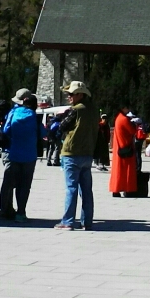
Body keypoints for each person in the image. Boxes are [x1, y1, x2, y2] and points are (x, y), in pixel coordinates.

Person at [55, 80, 99, 230]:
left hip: (72, 153)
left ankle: (67, 221)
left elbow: (62, 126)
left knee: (71, 188)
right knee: (86, 190)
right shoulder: (94, 109)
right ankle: (87, 222)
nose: (69, 97)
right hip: (87, 153)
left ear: (80, 94)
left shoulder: (76, 110)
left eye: (71, 94)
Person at [0, 88, 42, 221]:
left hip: (14, 153)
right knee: (25, 185)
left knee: (10, 183)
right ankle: (21, 212)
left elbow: (5, 130)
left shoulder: (13, 112)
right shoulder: (34, 116)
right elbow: (43, 133)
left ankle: (4, 209)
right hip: (30, 155)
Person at [109, 105, 140, 196]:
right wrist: (135, 124)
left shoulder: (118, 118)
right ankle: (128, 189)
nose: (128, 110)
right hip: (126, 148)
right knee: (127, 170)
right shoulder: (124, 119)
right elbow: (132, 131)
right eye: (127, 108)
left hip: (118, 148)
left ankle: (116, 189)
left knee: (117, 171)